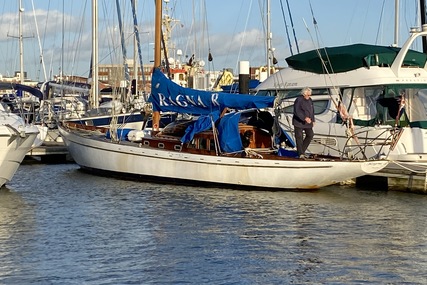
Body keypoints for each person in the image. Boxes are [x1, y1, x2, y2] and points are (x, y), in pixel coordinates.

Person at [292, 87, 315, 159]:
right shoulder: (299, 100)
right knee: (299, 137)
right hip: (298, 122)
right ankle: (300, 153)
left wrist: (313, 120)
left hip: (308, 122)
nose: (309, 97)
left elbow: (312, 110)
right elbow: (297, 111)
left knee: (310, 134)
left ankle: (302, 151)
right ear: (304, 94)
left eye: (310, 95)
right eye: (308, 95)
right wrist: (304, 118)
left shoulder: (310, 100)